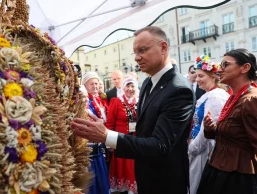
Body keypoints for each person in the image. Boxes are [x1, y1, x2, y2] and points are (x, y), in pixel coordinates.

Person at [71, 26, 195, 194]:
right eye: (135, 52)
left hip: (165, 183)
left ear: (163, 47)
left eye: (142, 50)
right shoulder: (147, 83)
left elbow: (159, 146)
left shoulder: (179, 90)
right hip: (144, 177)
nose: (137, 58)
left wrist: (106, 135)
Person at [197, 48, 257, 194]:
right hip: (219, 171)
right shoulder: (234, 97)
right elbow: (232, 135)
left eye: (225, 64)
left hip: (237, 178)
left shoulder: (251, 99)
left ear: (245, 67)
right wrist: (211, 129)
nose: (219, 69)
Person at [188, 55, 230, 194]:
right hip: (199, 148)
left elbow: (209, 128)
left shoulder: (216, 97)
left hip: (204, 151)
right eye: (196, 75)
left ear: (213, 76)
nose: (197, 79)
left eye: (201, 76)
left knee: (199, 186)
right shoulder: (209, 94)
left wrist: (193, 147)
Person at [106, 77, 139, 194]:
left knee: (132, 165)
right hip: (119, 140)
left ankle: (132, 189)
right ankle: (122, 189)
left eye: (132, 86)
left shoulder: (139, 102)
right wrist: (109, 142)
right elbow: (109, 123)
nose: (130, 89)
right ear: (123, 87)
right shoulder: (116, 101)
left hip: (135, 140)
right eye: (127, 86)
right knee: (121, 164)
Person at [82, 71, 110, 194]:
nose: (95, 86)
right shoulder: (86, 103)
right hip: (89, 147)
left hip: (99, 145)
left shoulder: (97, 99)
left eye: (96, 83)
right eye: (91, 84)